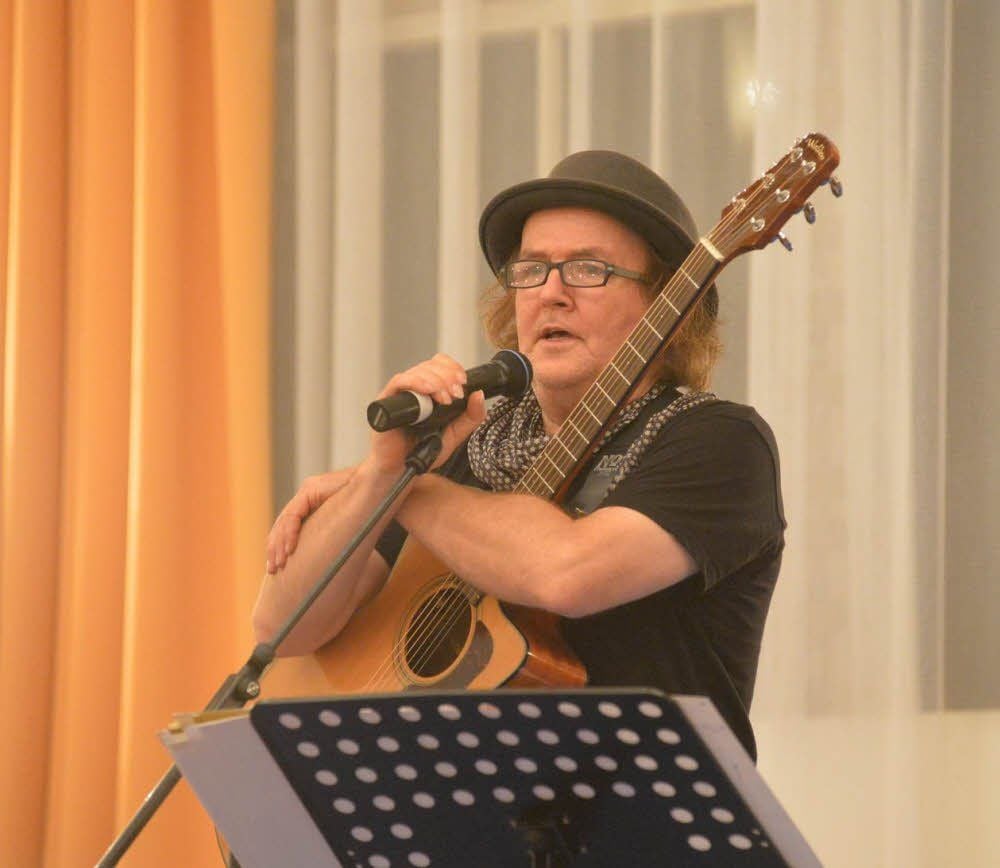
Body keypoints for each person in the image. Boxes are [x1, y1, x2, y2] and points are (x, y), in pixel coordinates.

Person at [252, 151, 785, 761]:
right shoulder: (469, 446)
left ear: (667, 307)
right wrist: (378, 476)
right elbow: (282, 629)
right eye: (531, 269)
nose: (550, 293)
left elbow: (562, 574)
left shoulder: (717, 442)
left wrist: (410, 487)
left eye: (588, 269)